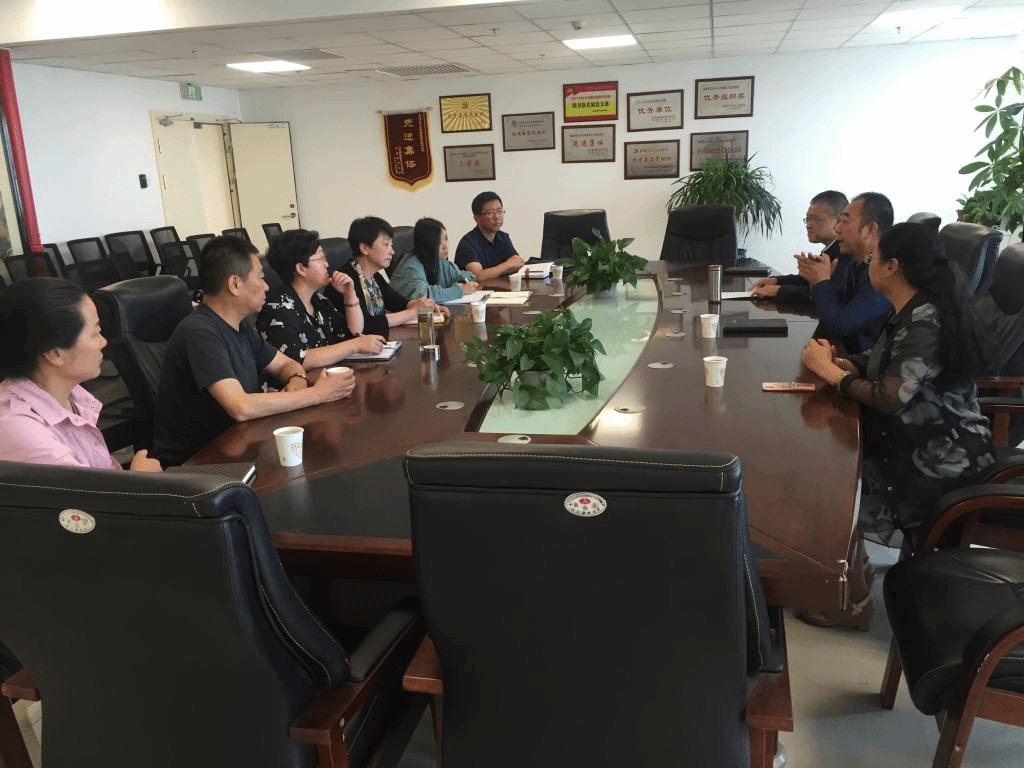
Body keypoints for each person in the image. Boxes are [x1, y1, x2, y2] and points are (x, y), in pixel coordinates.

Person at [799, 222, 995, 628]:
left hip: (938, 460)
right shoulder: (913, 309)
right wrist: (844, 363)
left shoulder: (926, 320)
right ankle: (854, 586)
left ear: (892, 267)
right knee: (827, 467)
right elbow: (886, 360)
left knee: (832, 484)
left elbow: (889, 398)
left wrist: (832, 374)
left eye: (874, 258)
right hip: (913, 442)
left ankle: (850, 600)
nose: (867, 264)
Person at [153, 236, 355, 466]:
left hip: (238, 447)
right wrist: (319, 394)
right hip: (198, 466)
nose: (267, 286)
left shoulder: (240, 327)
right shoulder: (199, 333)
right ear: (235, 284)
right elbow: (241, 407)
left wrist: (297, 379)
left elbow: (286, 364)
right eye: (260, 277)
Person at [0, 277, 162, 471]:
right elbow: (84, 491)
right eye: (95, 333)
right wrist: (142, 479)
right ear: (55, 353)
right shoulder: (19, 428)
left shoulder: (70, 393)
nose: (103, 342)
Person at [257, 228, 386, 368]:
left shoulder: (319, 300)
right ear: (301, 268)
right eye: (320, 258)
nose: (327, 264)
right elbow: (296, 359)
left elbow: (352, 333)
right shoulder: (277, 310)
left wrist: (349, 295)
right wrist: (355, 345)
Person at [329, 216, 445, 337]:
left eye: (391, 245)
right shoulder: (347, 280)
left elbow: (398, 303)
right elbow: (367, 325)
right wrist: (413, 312)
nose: (392, 252)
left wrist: (425, 306)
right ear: (364, 248)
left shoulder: (374, 277)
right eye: (385, 244)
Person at [751, 190, 847, 304]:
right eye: (807, 219)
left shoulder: (847, 253)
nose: (808, 225)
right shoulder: (831, 249)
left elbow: (826, 295)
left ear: (838, 221)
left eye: (815, 220)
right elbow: (809, 282)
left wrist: (779, 291)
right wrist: (776, 281)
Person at [390, 217, 480, 303]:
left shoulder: (441, 263)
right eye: (438, 242)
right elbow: (424, 295)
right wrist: (459, 290)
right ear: (427, 244)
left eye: (446, 239)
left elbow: (467, 276)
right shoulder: (411, 267)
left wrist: (464, 283)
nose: (445, 246)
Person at [454, 191, 524, 281]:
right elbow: (477, 276)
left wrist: (492, 272)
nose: (496, 217)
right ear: (476, 218)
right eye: (490, 213)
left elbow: (517, 264)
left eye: (499, 211)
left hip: (499, 287)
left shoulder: (503, 237)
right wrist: (508, 264)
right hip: (475, 289)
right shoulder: (468, 243)